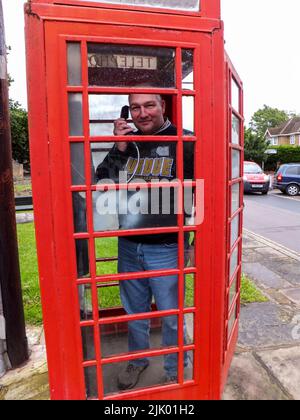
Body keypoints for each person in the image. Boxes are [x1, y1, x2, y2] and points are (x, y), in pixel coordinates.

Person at [96, 94, 194, 390]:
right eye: (135, 107)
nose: (142, 113)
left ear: (163, 106)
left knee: (170, 313)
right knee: (134, 311)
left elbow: (203, 191)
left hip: (167, 245)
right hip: (129, 242)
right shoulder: (128, 143)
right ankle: (138, 360)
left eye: (149, 105)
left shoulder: (185, 142)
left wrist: (196, 239)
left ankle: (175, 366)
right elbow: (101, 183)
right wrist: (120, 145)